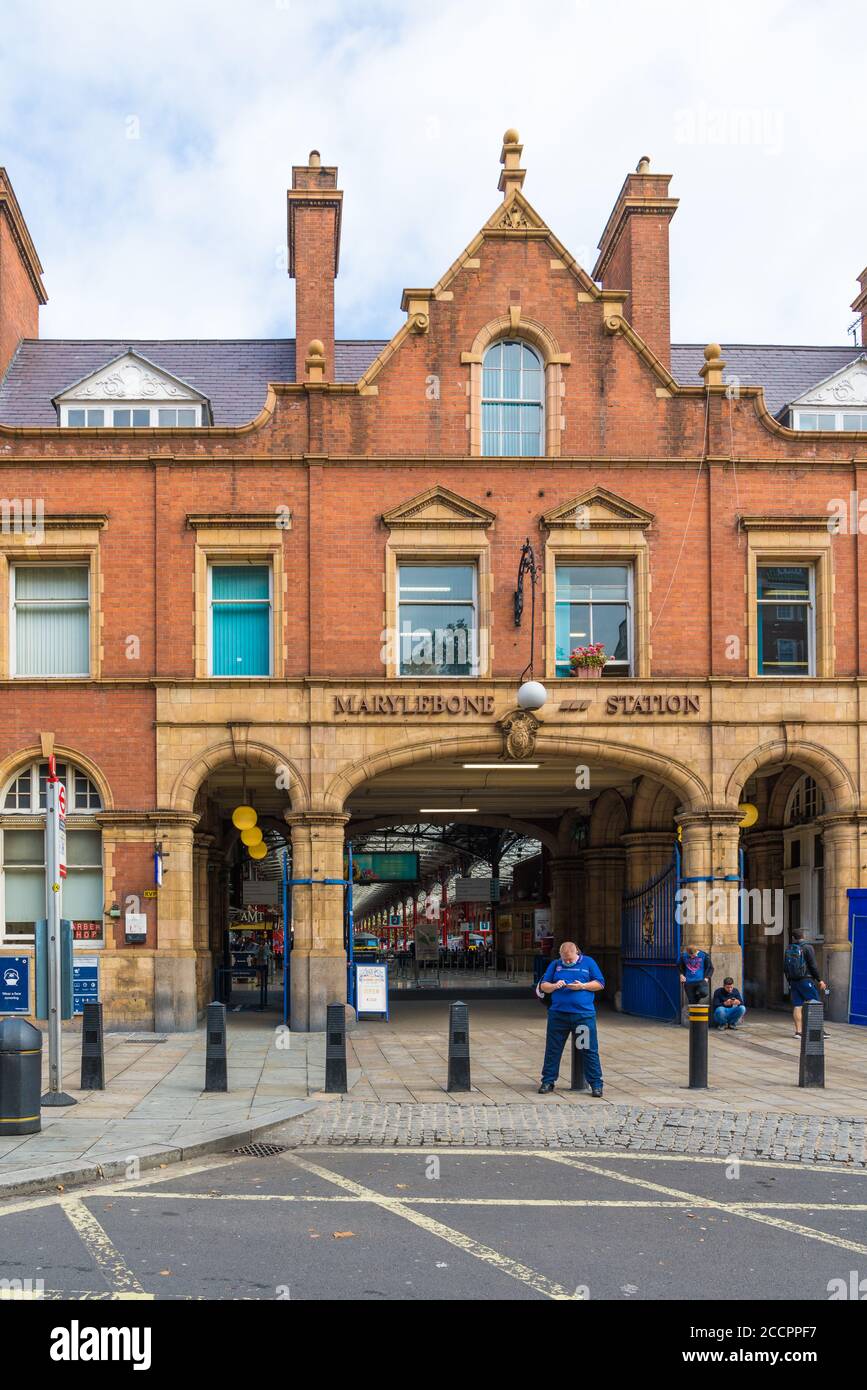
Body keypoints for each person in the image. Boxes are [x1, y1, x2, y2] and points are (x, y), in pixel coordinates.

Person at [537, 941, 605, 1097]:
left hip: (583, 1015)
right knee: (553, 1049)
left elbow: (600, 983)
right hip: (558, 1015)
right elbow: (543, 986)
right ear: (560, 955)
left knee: (588, 1050)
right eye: (564, 959)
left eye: (570, 959)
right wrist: (555, 986)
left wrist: (582, 986)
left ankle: (596, 1084)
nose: (567, 962)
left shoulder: (588, 962)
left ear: (577, 953)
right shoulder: (555, 965)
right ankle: (548, 1081)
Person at [784, 928, 828, 1038]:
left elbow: (785, 968)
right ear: (803, 936)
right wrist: (819, 980)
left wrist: (789, 981)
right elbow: (813, 965)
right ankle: (818, 1032)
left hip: (793, 981)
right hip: (806, 980)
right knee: (815, 1004)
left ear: (793, 938)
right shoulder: (807, 947)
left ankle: (798, 1032)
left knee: (797, 1006)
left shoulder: (789, 948)